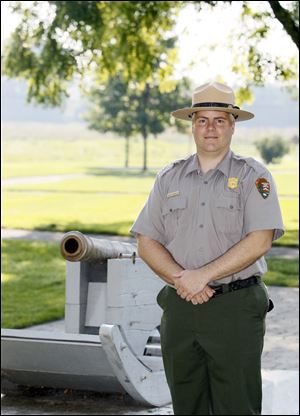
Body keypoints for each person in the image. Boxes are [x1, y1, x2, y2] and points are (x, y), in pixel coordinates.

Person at [130, 81, 284, 415]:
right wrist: (183, 279)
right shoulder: (168, 178)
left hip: (235, 308)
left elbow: (261, 239)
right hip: (181, 308)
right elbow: (146, 240)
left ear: (233, 125)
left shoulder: (253, 176)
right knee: (186, 403)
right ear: (192, 125)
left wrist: (203, 275)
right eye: (202, 120)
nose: (210, 128)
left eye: (219, 120)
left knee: (237, 405)